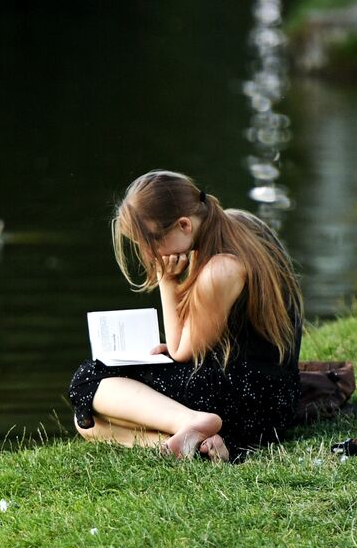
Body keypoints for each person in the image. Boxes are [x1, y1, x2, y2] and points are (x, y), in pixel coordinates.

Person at [67, 170, 304, 463]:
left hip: (245, 402)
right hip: (272, 396)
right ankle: (186, 444)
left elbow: (180, 351)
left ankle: (191, 422)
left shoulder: (219, 270)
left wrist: (167, 281)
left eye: (151, 243)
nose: (148, 254)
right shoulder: (241, 226)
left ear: (183, 225)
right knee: (88, 422)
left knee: (87, 381)